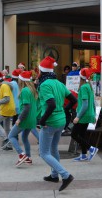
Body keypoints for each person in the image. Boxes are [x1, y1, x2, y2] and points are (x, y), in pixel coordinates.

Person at [37, 56, 77, 191]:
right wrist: (64, 110)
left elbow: (51, 104)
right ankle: (54, 175)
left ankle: (65, 175)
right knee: (53, 149)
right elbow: (73, 99)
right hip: (61, 121)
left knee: (44, 153)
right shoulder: (59, 83)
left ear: (41, 71)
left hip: (50, 122)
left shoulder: (44, 85)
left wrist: (42, 121)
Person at [8, 71, 38, 167]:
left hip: (25, 119)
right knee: (24, 137)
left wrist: (19, 119)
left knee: (11, 136)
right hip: (32, 118)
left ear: (22, 80)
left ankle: (22, 154)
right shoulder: (32, 89)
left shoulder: (25, 90)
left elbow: (26, 107)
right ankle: (28, 158)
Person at [70, 68, 99, 162]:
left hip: (83, 115)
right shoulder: (89, 86)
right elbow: (93, 103)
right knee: (82, 135)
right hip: (89, 114)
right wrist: (94, 114)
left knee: (74, 134)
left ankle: (91, 149)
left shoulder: (83, 87)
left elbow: (85, 104)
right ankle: (83, 155)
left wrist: (78, 117)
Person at [0, 71, 16, 150]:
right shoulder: (4, 85)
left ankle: (6, 139)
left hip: (6, 109)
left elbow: (6, 99)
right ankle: (9, 145)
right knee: (7, 128)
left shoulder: (4, 86)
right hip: (9, 108)